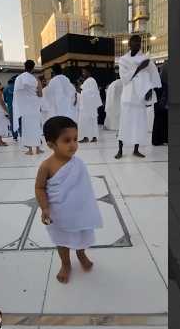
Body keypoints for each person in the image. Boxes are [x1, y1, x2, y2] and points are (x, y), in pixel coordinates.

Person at [35, 116, 103, 283]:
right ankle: (66, 264)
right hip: (59, 214)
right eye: (66, 140)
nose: (73, 144)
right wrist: (44, 208)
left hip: (80, 211)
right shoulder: (47, 166)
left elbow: (84, 188)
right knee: (62, 241)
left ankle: (81, 254)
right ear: (51, 144)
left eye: (75, 139)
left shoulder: (78, 163)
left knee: (81, 236)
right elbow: (39, 187)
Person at [115, 35, 161, 159]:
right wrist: (139, 68)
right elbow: (124, 78)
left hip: (140, 97)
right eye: (135, 43)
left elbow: (152, 74)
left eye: (139, 43)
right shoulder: (123, 60)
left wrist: (150, 89)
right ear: (129, 44)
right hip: (128, 97)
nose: (137, 45)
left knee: (139, 124)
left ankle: (136, 149)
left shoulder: (145, 59)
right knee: (124, 123)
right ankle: (120, 149)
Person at [13, 60, 44, 155]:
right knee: (36, 127)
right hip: (34, 107)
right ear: (33, 68)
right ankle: (38, 149)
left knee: (27, 128)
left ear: (24, 66)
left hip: (25, 108)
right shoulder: (36, 79)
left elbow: (17, 93)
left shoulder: (19, 78)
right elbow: (40, 94)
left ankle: (30, 150)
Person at [78, 66, 103, 143]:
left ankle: (93, 137)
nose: (83, 73)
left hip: (89, 106)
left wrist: (81, 89)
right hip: (86, 106)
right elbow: (84, 91)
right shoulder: (87, 81)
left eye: (84, 72)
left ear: (89, 72)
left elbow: (92, 93)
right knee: (85, 122)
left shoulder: (91, 80)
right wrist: (81, 89)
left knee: (91, 122)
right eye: (82, 72)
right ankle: (86, 137)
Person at [152, 62, 169, 146]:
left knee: (159, 119)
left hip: (159, 99)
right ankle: (162, 139)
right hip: (162, 99)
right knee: (162, 118)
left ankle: (158, 140)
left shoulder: (157, 77)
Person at [3, 75, 18, 139]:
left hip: (10, 107)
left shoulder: (5, 88)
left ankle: (15, 136)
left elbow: (5, 100)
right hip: (18, 106)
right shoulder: (17, 87)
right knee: (20, 121)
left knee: (12, 122)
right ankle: (22, 134)